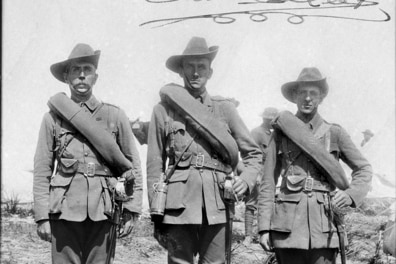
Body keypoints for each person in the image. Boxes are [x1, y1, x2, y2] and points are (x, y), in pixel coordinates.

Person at [147, 36, 263, 264]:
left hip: (217, 203)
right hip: (177, 206)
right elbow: (154, 164)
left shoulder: (225, 109)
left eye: (202, 67)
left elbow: (254, 153)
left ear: (210, 72)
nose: (196, 72)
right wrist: (156, 210)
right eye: (190, 66)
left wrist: (247, 180)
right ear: (181, 71)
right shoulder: (163, 110)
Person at [33, 43, 143, 264]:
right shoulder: (52, 119)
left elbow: (133, 165)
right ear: (66, 77)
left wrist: (131, 209)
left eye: (87, 70)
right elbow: (42, 169)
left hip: (103, 208)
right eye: (75, 70)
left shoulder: (114, 115)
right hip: (63, 209)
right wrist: (42, 217)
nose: (81, 75)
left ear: (96, 77)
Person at [257, 67, 372, 264]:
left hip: (323, 228)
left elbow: (364, 169)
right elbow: (268, 182)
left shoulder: (335, 133)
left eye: (313, 93)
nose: (308, 98)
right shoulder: (281, 133)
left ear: (321, 97)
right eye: (303, 93)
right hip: (287, 230)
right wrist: (264, 227)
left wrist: (350, 195)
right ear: (295, 96)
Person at [242, 107, 279, 247]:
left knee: (269, 204)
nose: (270, 122)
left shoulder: (276, 135)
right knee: (251, 204)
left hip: (271, 175)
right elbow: (248, 155)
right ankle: (248, 236)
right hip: (258, 172)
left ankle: (266, 234)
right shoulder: (256, 133)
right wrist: (254, 175)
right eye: (268, 119)